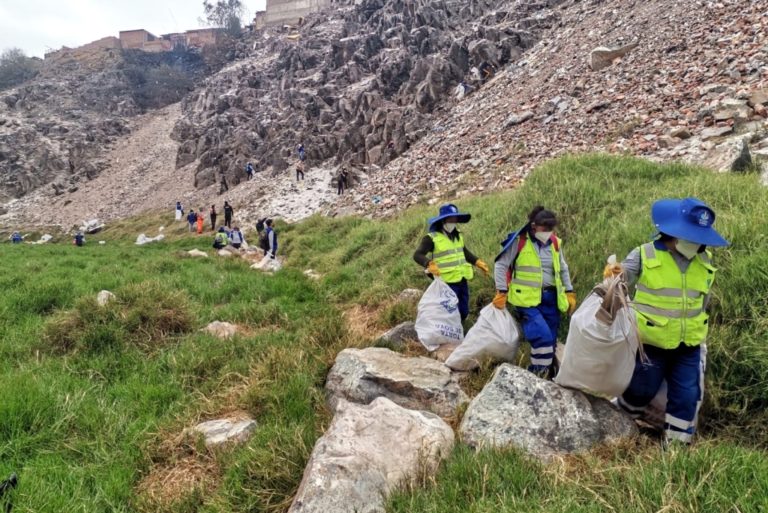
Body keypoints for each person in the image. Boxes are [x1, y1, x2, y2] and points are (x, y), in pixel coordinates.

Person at [608, 198, 728, 445]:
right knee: (642, 387)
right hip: (652, 343)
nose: (695, 243)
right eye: (690, 236)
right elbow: (621, 278)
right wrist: (613, 274)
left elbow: (701, 302)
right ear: (672, 232)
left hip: (689, 345)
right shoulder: (644, 254)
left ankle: (676, 448)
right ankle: (619, 425)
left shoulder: (704, 260)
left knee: (687, 395)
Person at [492, 206, 577, 377]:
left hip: (551, 299)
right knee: (543, 338)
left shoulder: (554, 243)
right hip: (526, 301)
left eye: (550, 229)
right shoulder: (519, 242)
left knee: (550, 342)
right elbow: (501, 265)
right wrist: (501, 290)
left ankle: (548, 376)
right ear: (533, 226)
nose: (547, 232)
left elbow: (563, 269)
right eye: (544, 228)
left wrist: (569, 292)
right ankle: (537, 376)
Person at [413, 204, 490, 322]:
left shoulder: (457, 235)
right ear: (443, 220)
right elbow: (417, 255)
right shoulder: (431, 238)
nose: (453, 221)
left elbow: (463, 252)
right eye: (450, 219)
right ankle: (449, 334)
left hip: (461, 278)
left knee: (463, 311)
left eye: (455, 219)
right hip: (447, 282)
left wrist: (477, 262)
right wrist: (428, 263)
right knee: (450, 312)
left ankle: (458, 330)